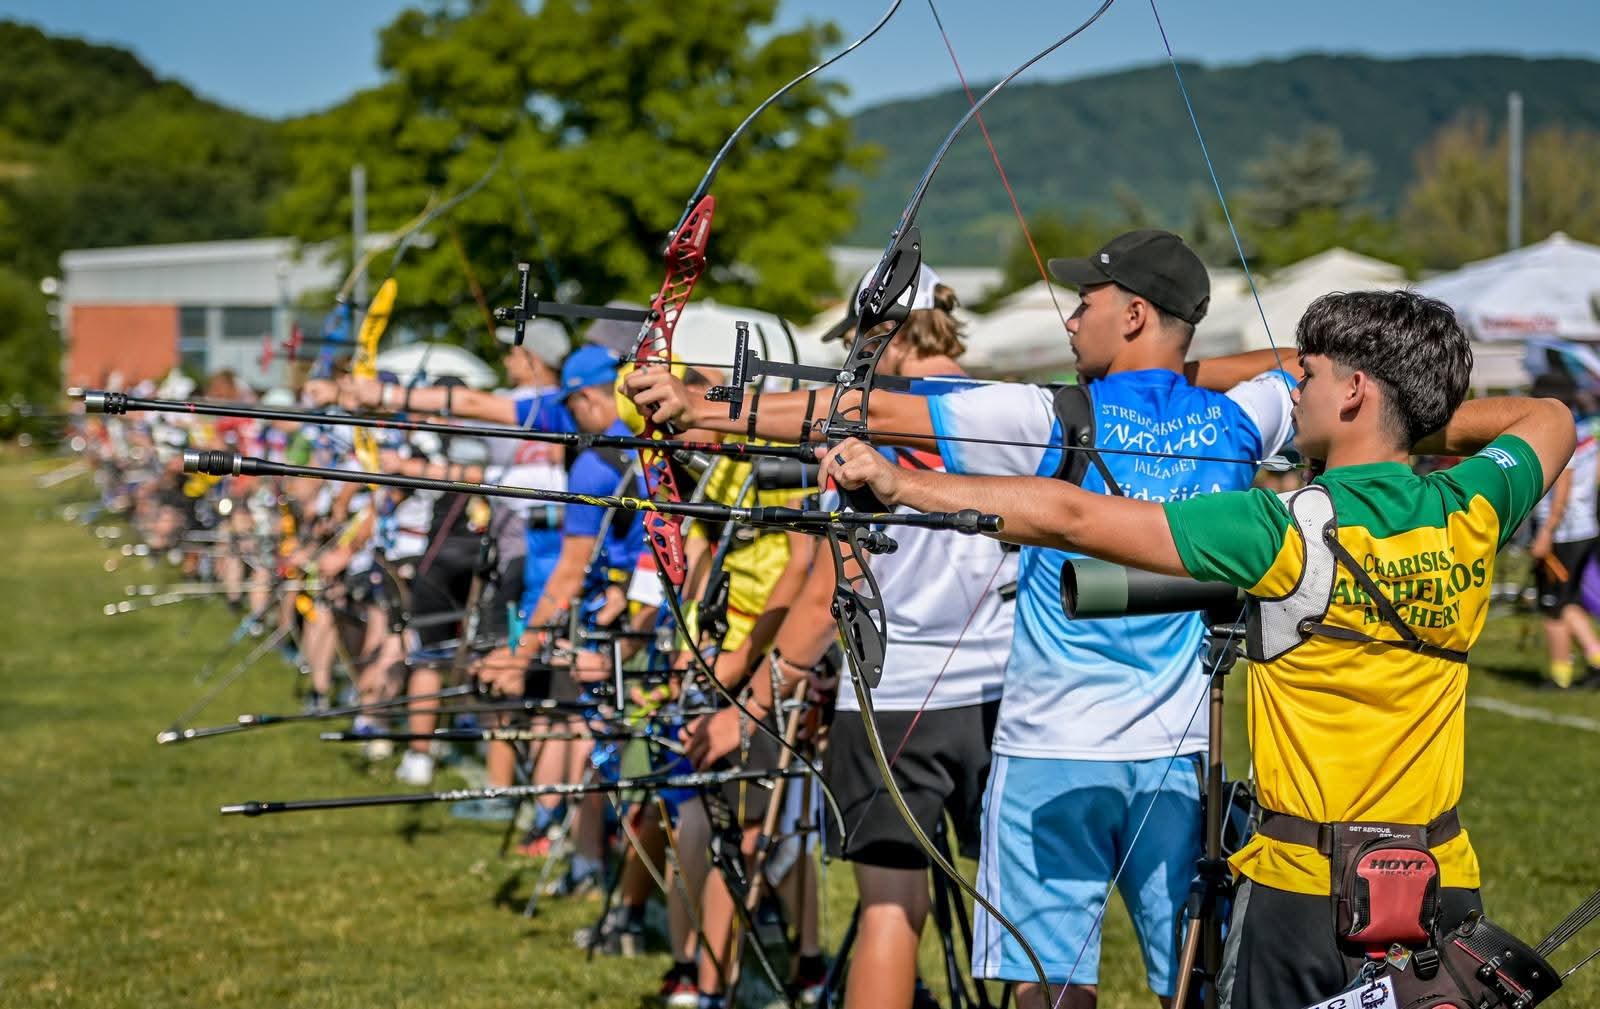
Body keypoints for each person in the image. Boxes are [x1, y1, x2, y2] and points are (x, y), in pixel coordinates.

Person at [819, 289, 1575, 1009]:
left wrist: (904, 485)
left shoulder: (1277, 527)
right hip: (1438, 882)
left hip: (1303, 895)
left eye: (1306, 377)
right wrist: (1407, 426)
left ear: (1353, 394)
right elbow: (1548, 419)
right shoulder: (1474, 505)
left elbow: (1074, 517)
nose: (1294, 394)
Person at [627, 230, 1298, 1009]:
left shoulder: (1050, 415)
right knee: (1194, 977)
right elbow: (1299, 368)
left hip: (1050, 755)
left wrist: (705, 403)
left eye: (1087, 302)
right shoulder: (1238, 422)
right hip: (1178, 759)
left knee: (1047, 986)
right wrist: (1179, 381)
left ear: (1137, 314)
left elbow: (868, 408)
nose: (1072, 320)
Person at [671, 264, 1014, 1009]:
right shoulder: (1017, 413)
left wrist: (750, 707)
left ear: (886, 334)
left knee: (892, 909)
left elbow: (836, 592)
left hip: (891, 704)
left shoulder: (856, 434)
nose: (854, 358)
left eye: (861, 340)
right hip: (1005, 697)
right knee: (1019, 918)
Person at [1525, 372, 1600, 688]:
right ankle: (1596, 658)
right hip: (1585, 528)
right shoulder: (1587, 432)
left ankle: (1560, 677)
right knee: (1568, 602)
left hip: (1563, 533)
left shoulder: (1558, 433)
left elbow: (1563, 489)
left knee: (1552, 606)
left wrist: (1546, 532)